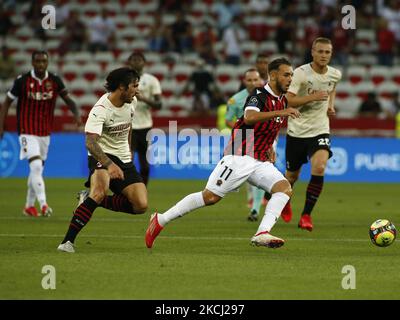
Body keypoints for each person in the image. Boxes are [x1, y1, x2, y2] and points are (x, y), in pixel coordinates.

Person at [145, 57, 301, 249]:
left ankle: (262, 232)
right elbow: (250, 117)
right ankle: (160, 220)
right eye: (286, 74)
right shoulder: (258, 95)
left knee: (284, 188)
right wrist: (280, 113)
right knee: (210, 197)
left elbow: (270, 127)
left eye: (292, 75)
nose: (290, 79)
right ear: (274, 75)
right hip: (239, 155)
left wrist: (271, 145)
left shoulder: (281, 101)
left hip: (260, 160)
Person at [57, 67, 148, 253]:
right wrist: (109, 164)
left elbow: (128, 125)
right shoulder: (100, 110)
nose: (137, 90)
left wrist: (128, 149)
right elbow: (90, 143)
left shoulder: (132, 102)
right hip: (102, 154)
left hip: (122, 157)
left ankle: (87, 199)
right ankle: (67, 242)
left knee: (141, 205)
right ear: (122, 87)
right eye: (134, 86)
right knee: (99, 191)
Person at [0, 50, 81, 218]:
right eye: (37, 61)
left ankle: (29, 206)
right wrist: (1, 125)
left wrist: (76, 114)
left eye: (43, 61)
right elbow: (7, 101)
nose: (40, 65)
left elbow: (68, 99)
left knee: (36, 170)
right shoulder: (22, 81)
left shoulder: (55, 80)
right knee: (36, 166)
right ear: (32, 63)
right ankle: (44, 205)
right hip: (26, 131)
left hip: (45, 133)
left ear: (47, 62)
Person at [281, 37, 342, 231]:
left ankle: (306, 215)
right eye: (320, 51)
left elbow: (331, 90)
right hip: (297, 131)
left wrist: (330, 106)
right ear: (312, 52)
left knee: (320, 166)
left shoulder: (335, 74)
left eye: (328, 52)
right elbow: (288, 101)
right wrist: (312, 97)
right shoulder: (300, 73)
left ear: (331, 54)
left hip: (320, 129)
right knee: (291, 177)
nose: (324, 55)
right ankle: (284, 200)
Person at [225, 68, 266, 221]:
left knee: (258, 172)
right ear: (244, 81)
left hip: (263, 138)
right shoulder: (235, 100)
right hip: (242, 137)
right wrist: (240, 127)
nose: (253, 83)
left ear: (260, 81)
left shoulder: (267, 97)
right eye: (249, 80)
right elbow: (228, 119)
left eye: (255, 80)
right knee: (238, 173)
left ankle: (255, 209)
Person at [127, 51, 162, 186]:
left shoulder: (152, 80)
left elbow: (159, 104)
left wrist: (143, 99)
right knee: (128, 161)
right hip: (128, 125)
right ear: (129, 62)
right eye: (133, 59)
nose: (136, 62)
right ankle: (125, 190)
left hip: (145, 126)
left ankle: (142, 190)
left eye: (139, 60)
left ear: (144, 62)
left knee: (145, 165)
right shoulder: (124, 79)